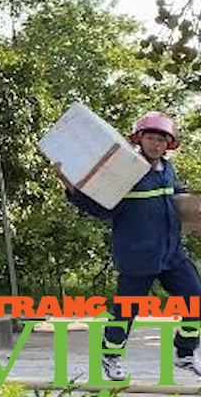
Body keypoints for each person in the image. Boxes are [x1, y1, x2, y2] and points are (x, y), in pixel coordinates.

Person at [61, 111, 201, 380]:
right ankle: (111, 356)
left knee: (195, 299)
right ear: (139, 138)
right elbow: (102, 209)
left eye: (162, 139)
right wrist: (72, 190)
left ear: (169, 144)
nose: (156, 143)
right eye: (151, 137)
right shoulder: (126, 171)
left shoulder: (168, 170)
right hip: (138, 254)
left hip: (171, 253)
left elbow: (178, 198)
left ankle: (184, 353)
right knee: (126, 311)